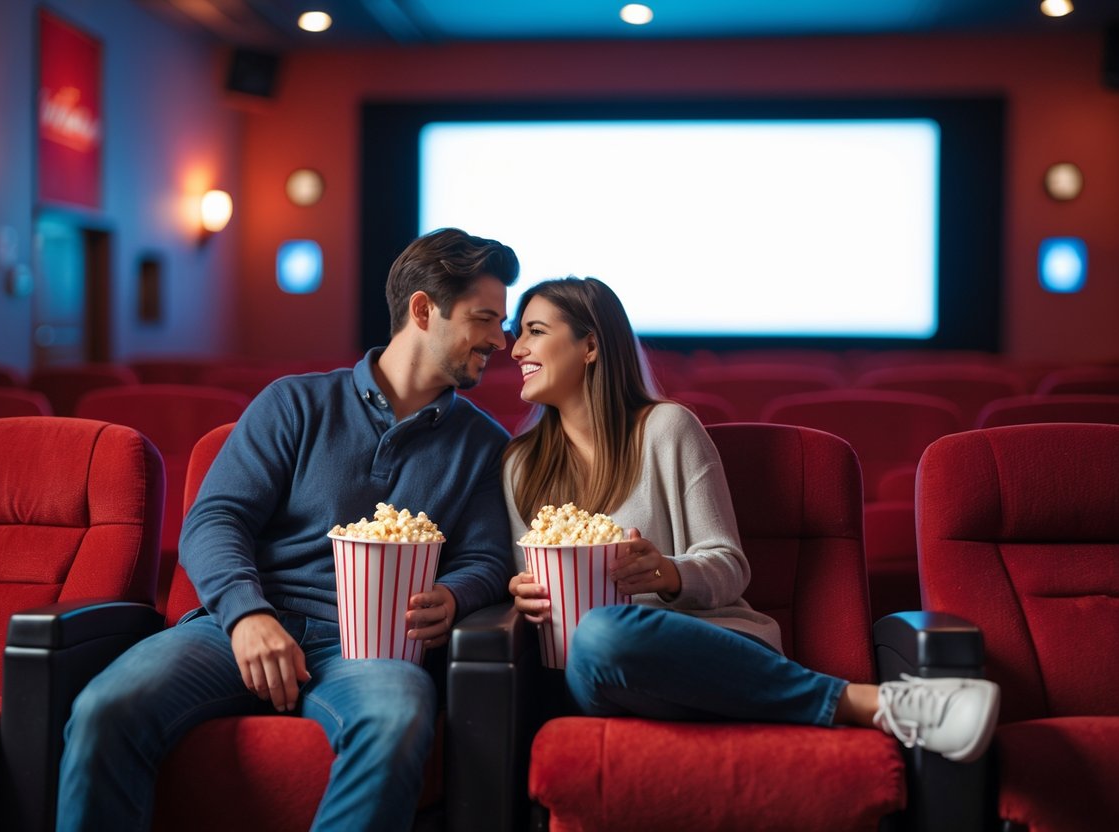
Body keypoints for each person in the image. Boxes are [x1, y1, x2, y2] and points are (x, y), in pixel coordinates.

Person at [57, 228, 520, 831]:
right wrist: (248, 616)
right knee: (104, 708)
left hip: (369, 649)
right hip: (239, 629)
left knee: (396, 718)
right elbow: (215, 519)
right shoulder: (295, 404)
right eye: (485, 319)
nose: (501, 340)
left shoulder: (485, 445)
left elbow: (487, 558)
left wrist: (456, 595)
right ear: (423, 310)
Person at [505, 276, 999, 763]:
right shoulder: (519, 466)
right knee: (597, 640)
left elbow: (729, 566)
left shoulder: (667, 428)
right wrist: (522, 594)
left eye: (535, 330)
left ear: (589, 345)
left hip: (710, 644)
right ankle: (869, 704)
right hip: (599, 674)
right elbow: (524, 587)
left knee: (605, 631)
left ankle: (801, 700)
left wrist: (669, 573)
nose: (516, 349)